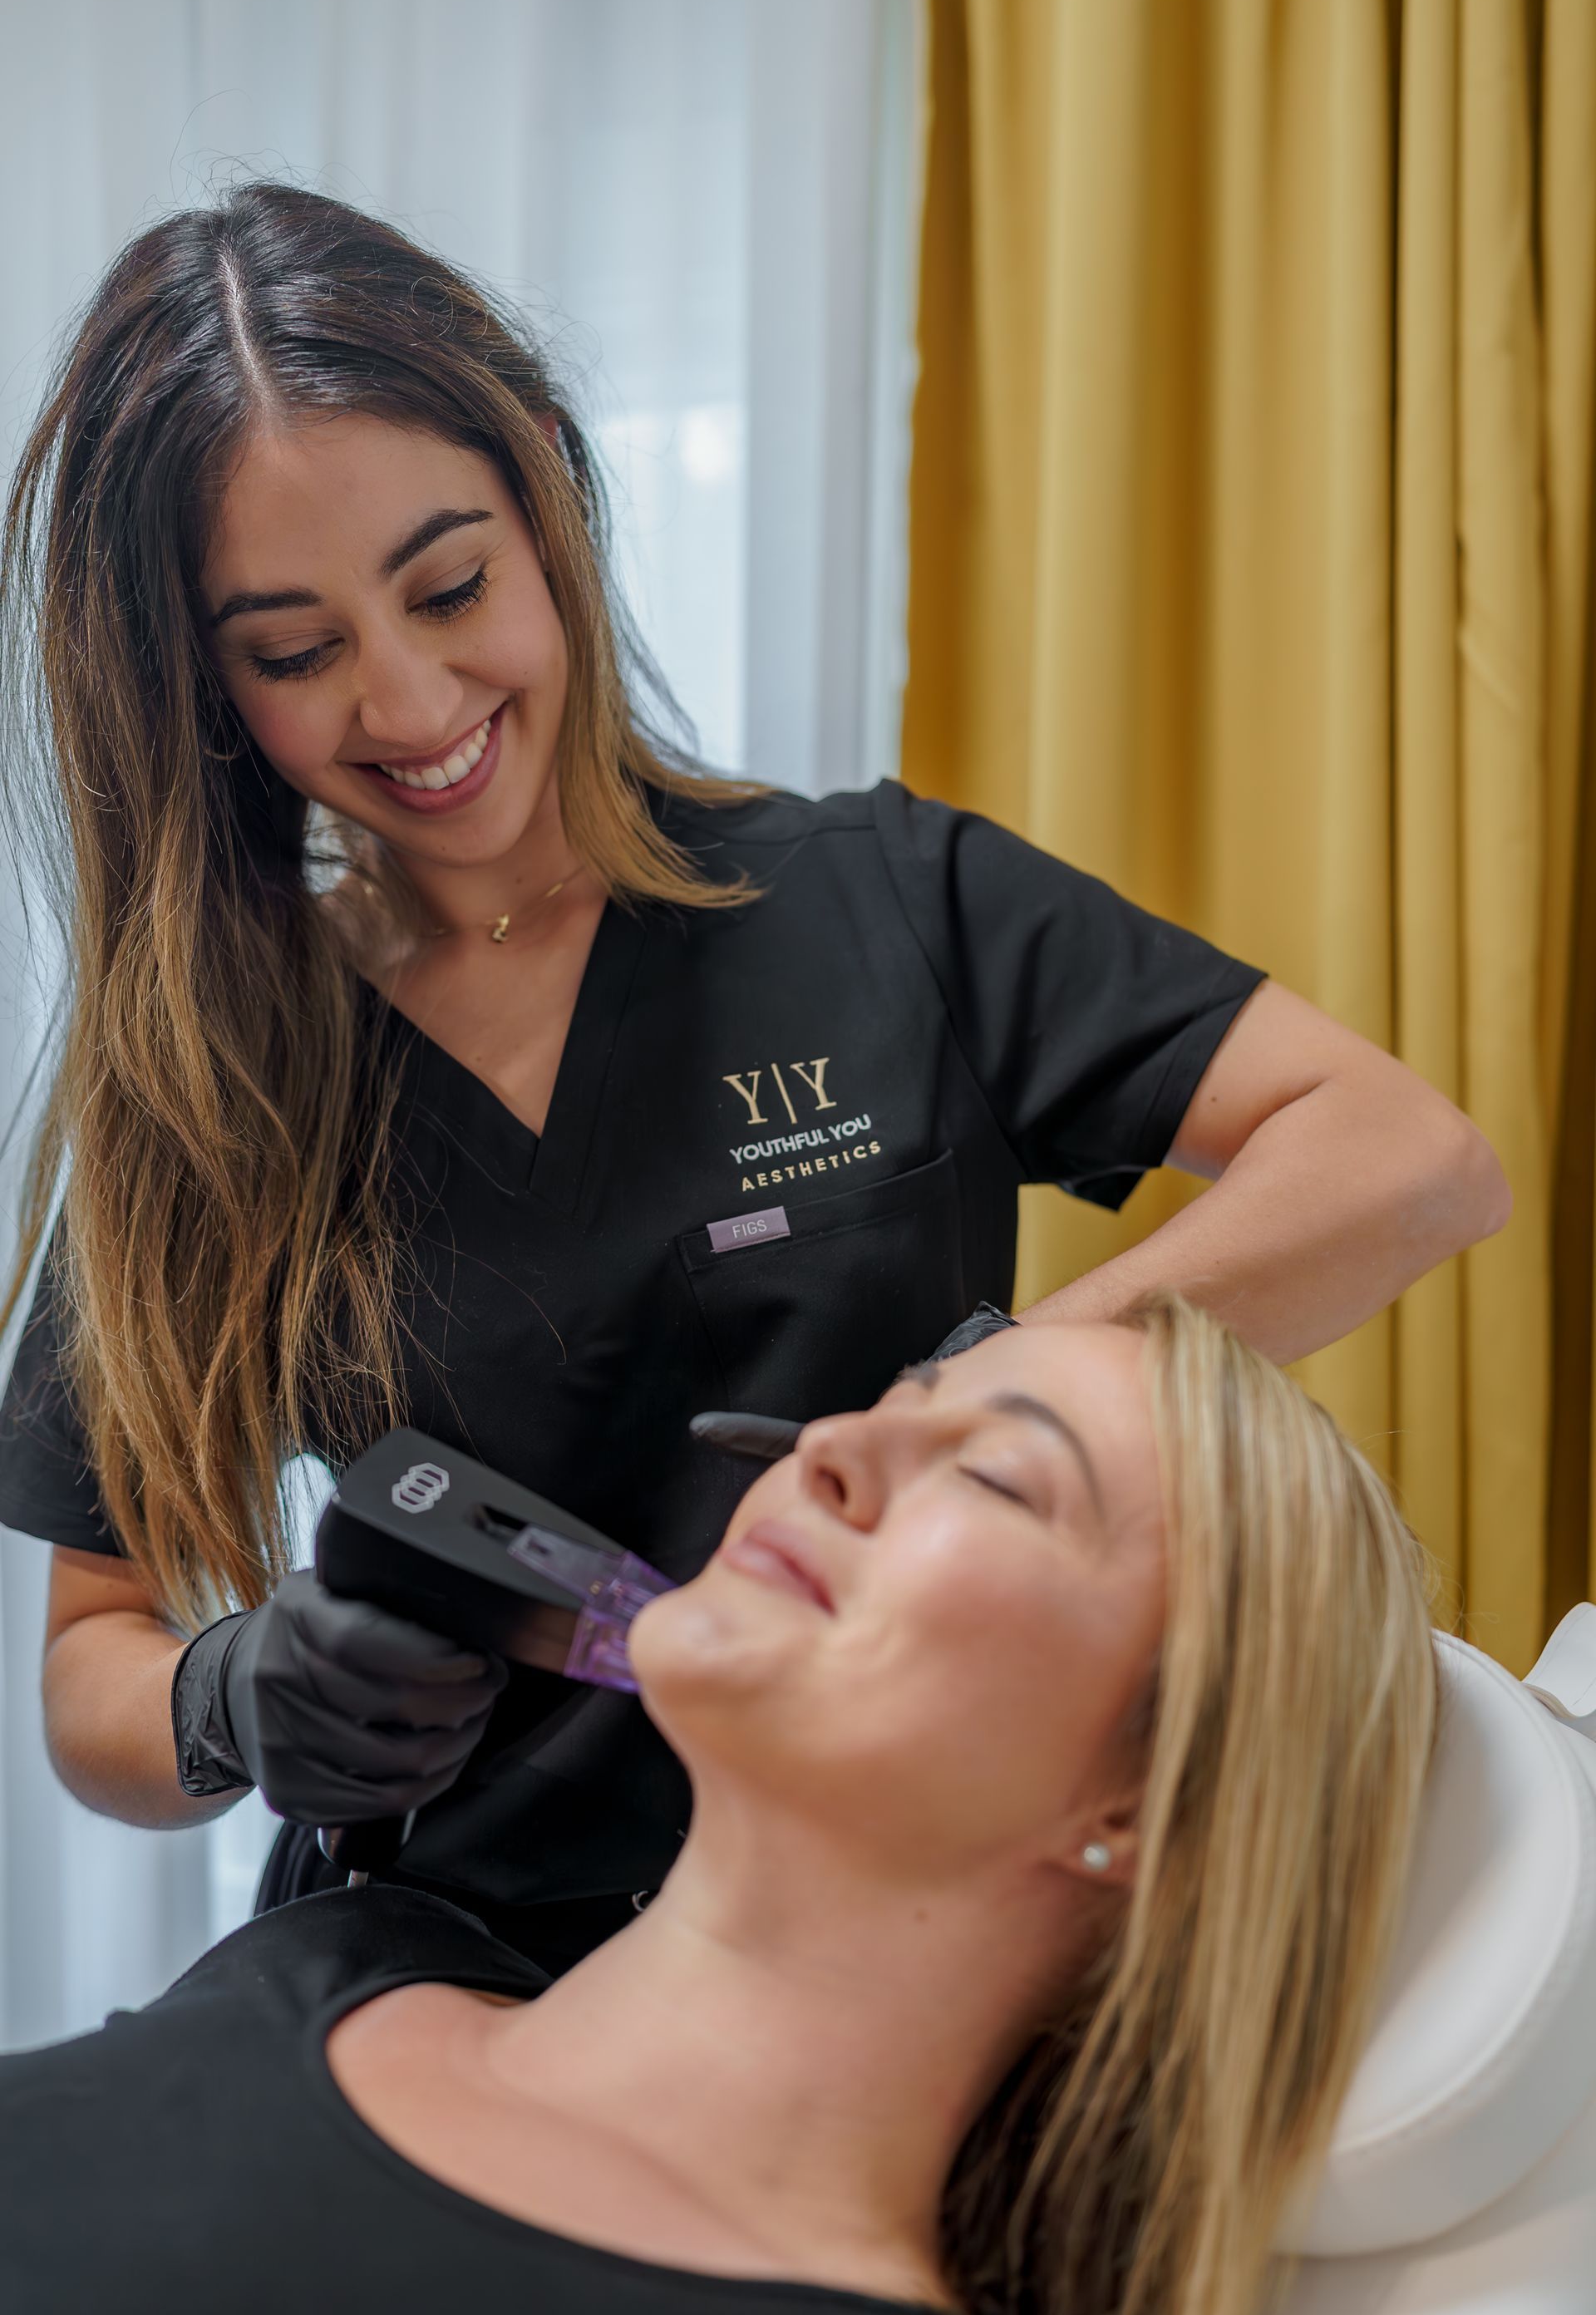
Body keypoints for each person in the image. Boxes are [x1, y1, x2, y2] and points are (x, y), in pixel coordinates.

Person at [0, 183, 1493, 1969]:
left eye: (450, 585)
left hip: (916, 1932)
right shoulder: (214, 1081)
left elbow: (1408, 1159)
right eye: (298, 653)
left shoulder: (886, 903)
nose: (407, 703)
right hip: (456, 1969)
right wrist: (227, 1703)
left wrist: (999, 1404)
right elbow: (95, 1662)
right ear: (202, 682)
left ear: (548, 486)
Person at [0, 1297, 1439, 2315]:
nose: (829, 1448)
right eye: (892, 1403)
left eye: (999, 1474)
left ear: (1151, 1795)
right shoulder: (345, 1946)